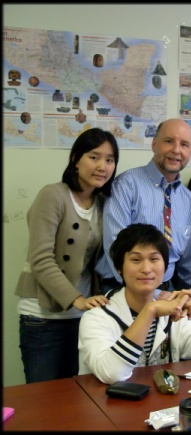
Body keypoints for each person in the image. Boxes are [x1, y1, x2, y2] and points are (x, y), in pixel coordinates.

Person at [15, 127, 119, 383]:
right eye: (94, 157)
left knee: (80, 395)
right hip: (43, 318)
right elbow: (40, 259)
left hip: (84, 317)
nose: (102, 166)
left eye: (109, 160)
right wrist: (76, 299)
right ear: (75, 159)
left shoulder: (104, 203)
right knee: (44, 397)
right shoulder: (53, 195)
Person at [78, 224, 191, 385]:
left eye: (154, 259)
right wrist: (150, 310)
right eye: (136, 260)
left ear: (165, 266)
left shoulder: (170, 315)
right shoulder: (97, 316)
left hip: (160, 400)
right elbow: (112, 374)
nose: (146, 269)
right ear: (119, 268)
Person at [95, 118, 191, 298]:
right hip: (122, 287)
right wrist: (153, 294)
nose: (176, 150)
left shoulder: (190, 201)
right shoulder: (126, 185)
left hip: (167, 289)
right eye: (168, 141)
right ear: (154, 144)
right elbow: (115, 247)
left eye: (184, 144)